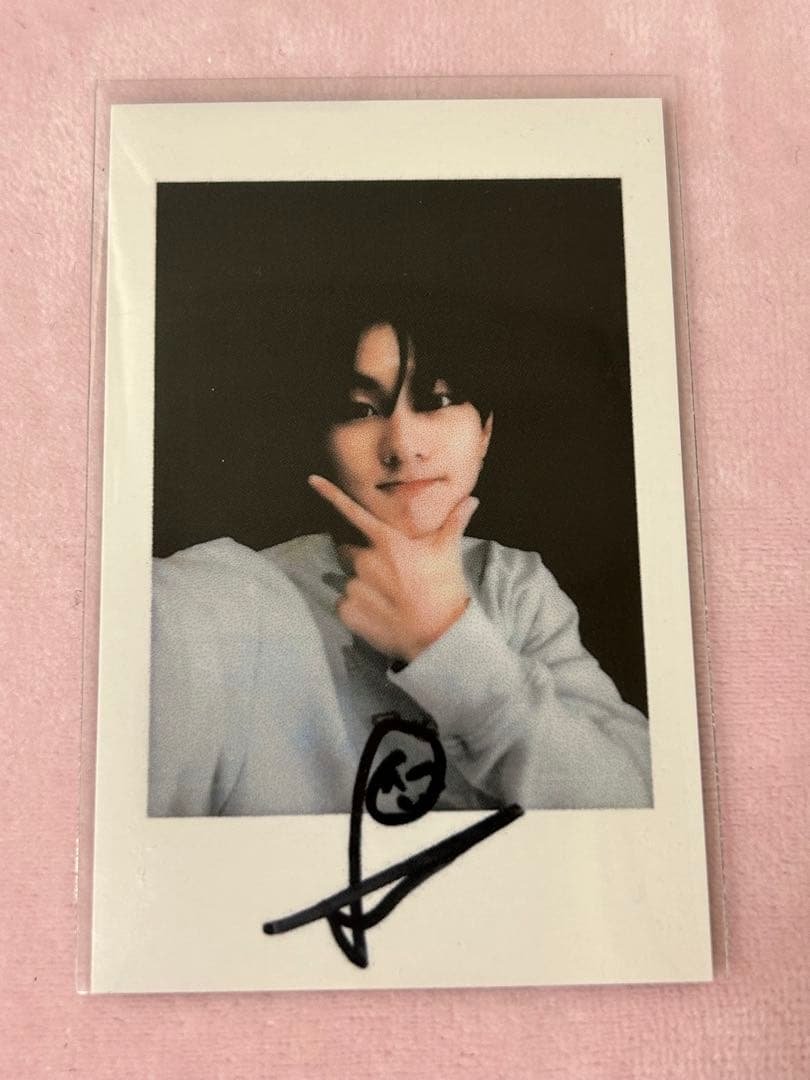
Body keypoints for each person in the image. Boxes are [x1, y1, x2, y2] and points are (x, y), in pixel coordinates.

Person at [149, 296, 652, 815]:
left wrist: (445, 638)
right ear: (320, 438)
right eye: (361, 410)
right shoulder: (227, 598)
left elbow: (637, 805)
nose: (404, 446)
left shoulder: (513, 583)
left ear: (485, 432)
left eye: (437, 400)